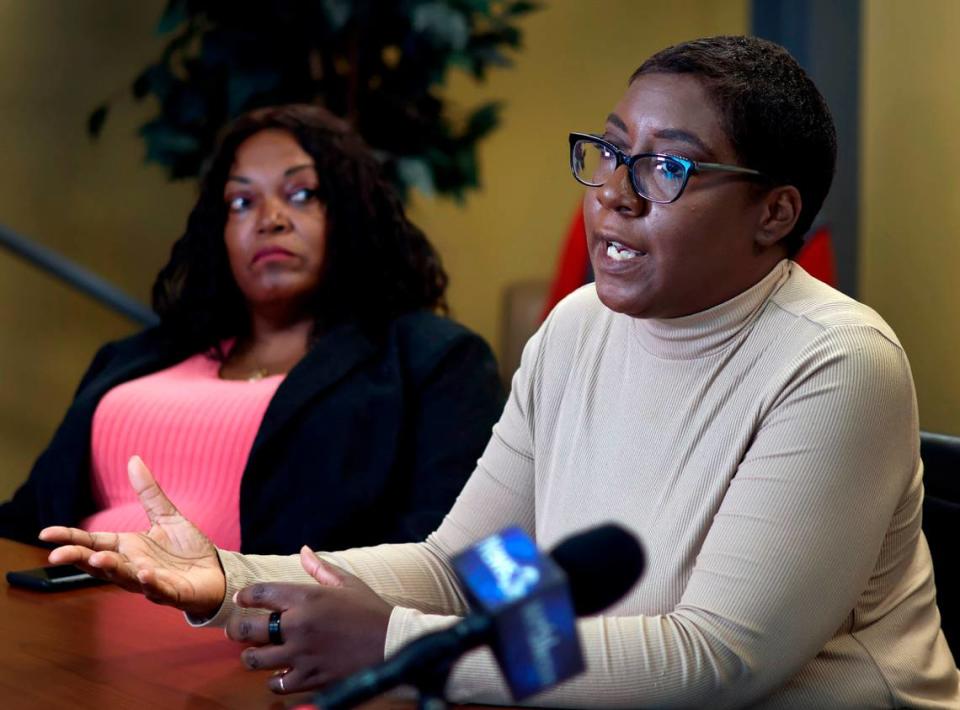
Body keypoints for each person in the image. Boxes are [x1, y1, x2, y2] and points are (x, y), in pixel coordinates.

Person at [40, 36, 959, 707]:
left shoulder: (837, 363)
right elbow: (467, 570)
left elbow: (712, 661)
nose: (613, 193)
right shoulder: (577, 329)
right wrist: (234, 578)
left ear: (775, 212)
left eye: (668, 167)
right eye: (608, 152)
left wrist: (397, 645)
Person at [1, 104, 504, 555]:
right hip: (64, 627)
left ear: (354, 214)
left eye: (302, 194)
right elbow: (24, 521)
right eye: (241, 202)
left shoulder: (431, 360)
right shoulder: (134, 357)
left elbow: (447, 556)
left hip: (251, 644)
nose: (270, 219)